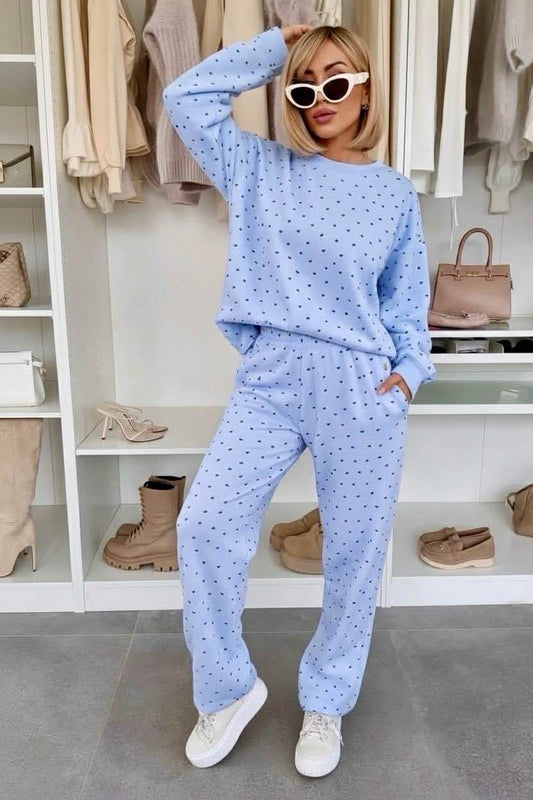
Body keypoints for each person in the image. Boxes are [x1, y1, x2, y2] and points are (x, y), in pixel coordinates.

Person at [163, 23, 436, 778]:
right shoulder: (257, 166)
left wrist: (408, 374)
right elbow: (184, 98)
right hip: (273, 376)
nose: (321, 98)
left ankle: (327, 701)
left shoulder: (392, 195)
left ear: (366, 90)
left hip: (361, 384)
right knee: (204, 524)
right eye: (305, 86)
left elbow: (406, 302)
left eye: (336, 81)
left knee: (353, 552)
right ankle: (226, 691)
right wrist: (271, 49)